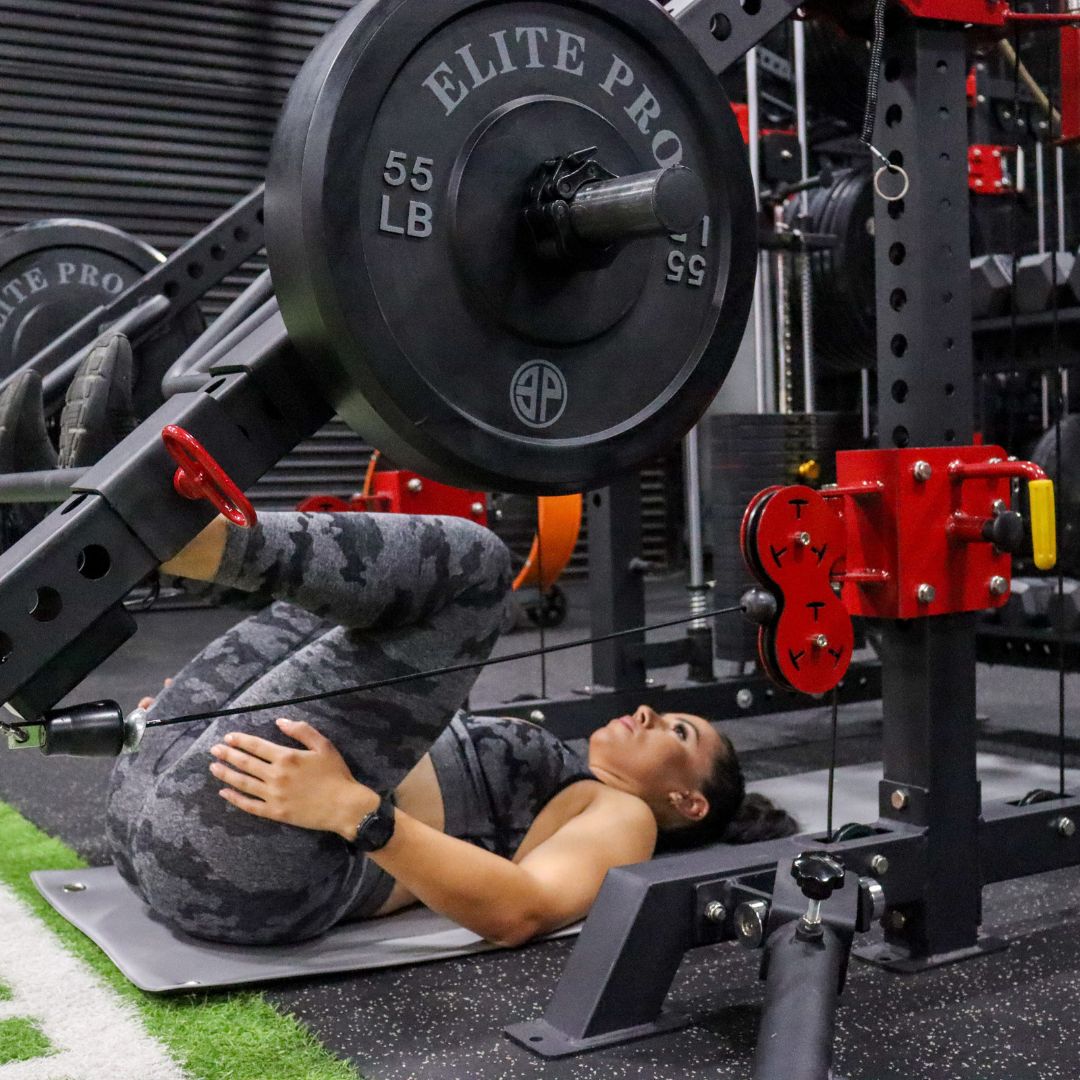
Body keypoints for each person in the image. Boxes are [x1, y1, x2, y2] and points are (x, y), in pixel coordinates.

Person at [106, 511, 797, 948]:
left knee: (475, 570)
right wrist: (228, 699)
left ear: (688, 802)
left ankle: (155, 533)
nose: (649, 712)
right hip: (161, 809)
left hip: (244, 869)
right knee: (368, 595)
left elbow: (524, 911)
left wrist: (355, 813)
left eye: (678, 731)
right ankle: (104, 527)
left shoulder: (624, 817)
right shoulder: (565, 769)